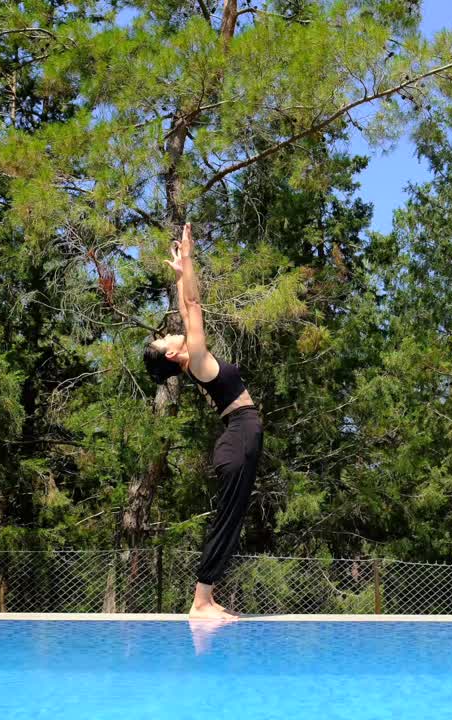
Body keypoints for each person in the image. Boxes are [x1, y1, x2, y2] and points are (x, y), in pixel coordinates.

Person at [143, 223, 263, 621]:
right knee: (228, 519)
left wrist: (181, 275)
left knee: (230, 518)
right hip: (239, 435)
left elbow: (185, 308)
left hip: (238, 436)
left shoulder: (193, 360)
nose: (170, 333)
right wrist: (190, 260)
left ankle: (205, 599)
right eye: (165, 339)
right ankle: (201, 601)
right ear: (172, 356)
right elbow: (193, 307)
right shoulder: (195, 359)